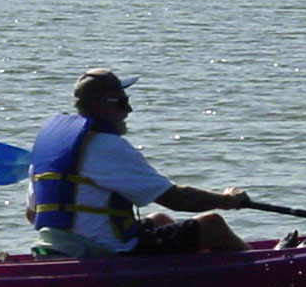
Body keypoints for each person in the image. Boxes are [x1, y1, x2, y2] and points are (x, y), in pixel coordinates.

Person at [27, 68, 256, 257]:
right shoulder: (107, 147)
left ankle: (198, 275)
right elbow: (177, 199)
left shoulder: (50, 148)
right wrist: (227, 200)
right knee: (212, 225)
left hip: (59, 247)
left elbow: (32, 214)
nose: (128, 109)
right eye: (121, 102)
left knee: (159, 221)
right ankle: (258, 272)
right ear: (102, 106)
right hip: (104, 253)